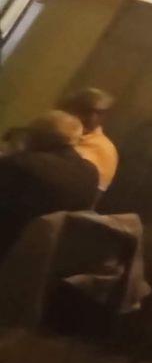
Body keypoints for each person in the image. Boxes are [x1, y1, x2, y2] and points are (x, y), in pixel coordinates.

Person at [0, 111, 101, 259]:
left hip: (9, 250)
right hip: (51, 257)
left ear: (36, 136)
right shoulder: (91, 172)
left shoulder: (20, 164)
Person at [57, 87, 117, 198]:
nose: (92, 118)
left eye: (99, 113)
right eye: (86, 110)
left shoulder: (104, 149)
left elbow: (92, 194)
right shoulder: (53, 130)